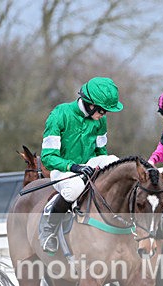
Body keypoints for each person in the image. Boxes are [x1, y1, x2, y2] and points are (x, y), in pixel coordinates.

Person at [39, 77, 124, 253]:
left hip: (88, 165)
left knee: (114, 162)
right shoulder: (59, 114)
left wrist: (104, 173)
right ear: (90, 104)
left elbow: (102, 152)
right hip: (62, 170)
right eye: (102, 110)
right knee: (76, 187)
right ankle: (49, 226)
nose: (104, 115)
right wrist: (74, 167)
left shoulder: (100, 120)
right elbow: (47, 157)